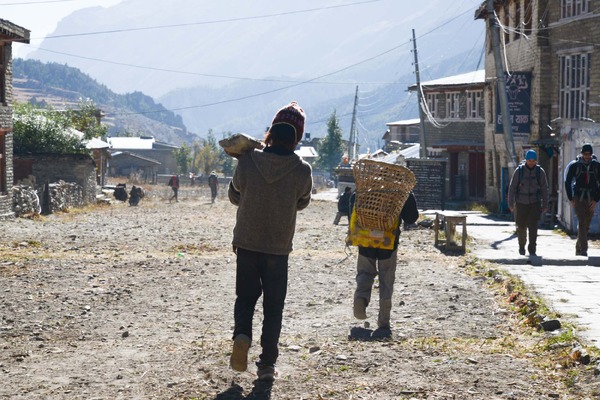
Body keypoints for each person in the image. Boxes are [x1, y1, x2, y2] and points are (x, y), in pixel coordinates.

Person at [227, 101, 312, 381]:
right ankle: (266, 365)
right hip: (277, 250)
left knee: (246, 299)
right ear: (296, 137)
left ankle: (241, 336)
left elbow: (235, 193)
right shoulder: (302, 170)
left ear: (271, 132)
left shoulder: (249, 160)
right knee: (274, 307)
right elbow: (302, 202)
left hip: (247, 244)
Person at [349, 190, 419, 333]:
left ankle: (361, 298)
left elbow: (352, 212)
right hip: (389, 241)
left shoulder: (363, 189)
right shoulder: (402, 192)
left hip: (365, 239)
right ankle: (384, 321)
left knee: (365, 273)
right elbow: (411, 218)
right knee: (386, 280)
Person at [507, 149, 549, 256]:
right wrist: (510, 203)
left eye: (533, 160)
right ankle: (521, 247)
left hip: (535, 203)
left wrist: (545, 205)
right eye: (529, 160)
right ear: (526, 160)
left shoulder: (540, 172)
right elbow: (512, 188)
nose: (531, 162)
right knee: (521, 227)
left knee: (533, 227)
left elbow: (544, 189)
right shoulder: (519, 171)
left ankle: (532, 249)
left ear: (536, 161)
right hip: (521, 203)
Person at [564, 144, 600, 256]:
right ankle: (584, 250)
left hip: (591, 198)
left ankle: (578, 247)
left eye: (589, 154)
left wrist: (596, 200)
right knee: (582, 221)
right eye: (585, 154)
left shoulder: (596, 166)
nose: (587, 156)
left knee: (586, 224)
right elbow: (567, 181)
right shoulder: (575, 166)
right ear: (582, 154)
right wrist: (571, 198)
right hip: (578, 198)